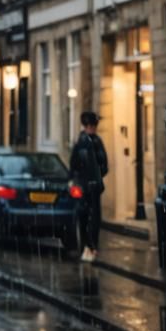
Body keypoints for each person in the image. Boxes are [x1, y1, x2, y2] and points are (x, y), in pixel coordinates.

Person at [69, 110, 109, 262]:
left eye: (93, 126)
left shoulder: (95, 142)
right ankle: (87, 246)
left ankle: (92, 247)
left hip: (92, 186)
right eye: (90, 126)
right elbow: (74, 165)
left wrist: (95, 176)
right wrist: (79, 179)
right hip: (85, 187)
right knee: (85, 216)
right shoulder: (82, 143)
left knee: (93, 218)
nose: (92, 129)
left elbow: (104, 165)